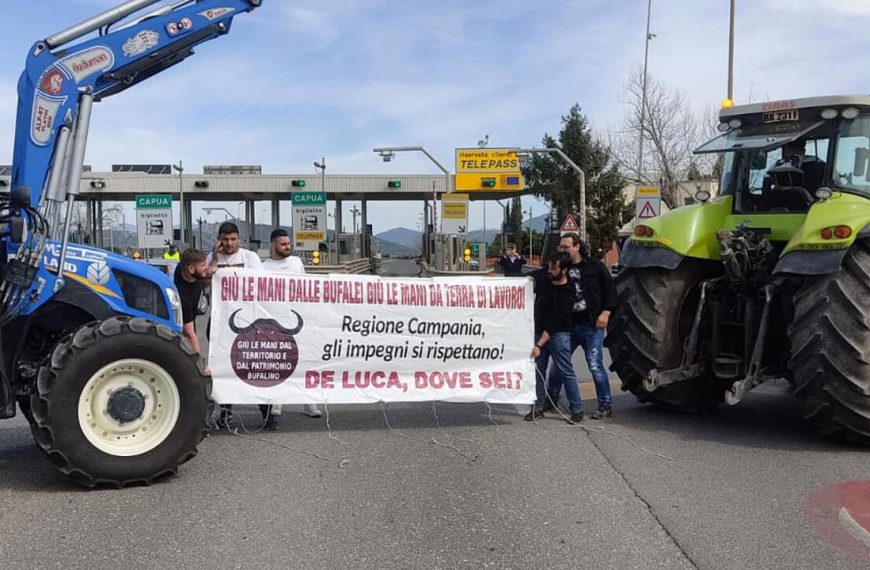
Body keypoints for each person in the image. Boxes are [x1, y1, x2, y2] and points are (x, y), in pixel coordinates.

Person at [205, 222, 274, 429]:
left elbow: (261, 284)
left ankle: (268, 414)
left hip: (248, 321)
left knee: (255, 366)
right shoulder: (212, 258)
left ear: (239, 239)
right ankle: (225, 413)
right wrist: (215, 258)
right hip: (220, 322)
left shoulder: (250, 258)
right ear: (219, 239)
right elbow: (206, 280)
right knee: (223, 367)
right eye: (225, 239)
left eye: (233, 239)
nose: (229, 243)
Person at [552, 233, 617, 419]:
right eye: (560, 248)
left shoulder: (596, 267)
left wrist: (606, 312)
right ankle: (551, 399)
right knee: (558, 365)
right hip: (567, 326)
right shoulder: (560, 268)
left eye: (565, 247)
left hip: (591, 325)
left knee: (595, 365)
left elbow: (611, 291)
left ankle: (605, 405)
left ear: (577, 247)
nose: (562, 250)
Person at [262, 228, 322, 419]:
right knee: (278, 362)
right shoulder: (263, 267)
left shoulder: (296, 262)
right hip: (274, 321)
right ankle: (277, 400)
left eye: (289, 244)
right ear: (273, 245)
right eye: (284, 244)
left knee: (303, 360)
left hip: (297, 318)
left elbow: (305, 287)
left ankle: (308, 401)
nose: (288, 247)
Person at [525, 252, 582, 423]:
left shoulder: (568, 291)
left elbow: (555, 323)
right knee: (538, 371)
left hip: (558, 335)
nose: (549, 271)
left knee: (566, 371)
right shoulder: (546, 279)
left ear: (564, 270)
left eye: (553, 268)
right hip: (540, 331)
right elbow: (533, 275)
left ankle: (577, 409)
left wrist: (539, 345)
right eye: (549, 266)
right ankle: (538, 407)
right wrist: (527, 279)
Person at [173, 248, 210, 356]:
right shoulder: (183, 296)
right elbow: (189, 333)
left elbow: (207, 276)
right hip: (180, 325)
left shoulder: (185, 270)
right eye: (203, 265)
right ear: (191, 269)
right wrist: (200, 364)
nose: (206, 268)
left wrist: (215, 258)